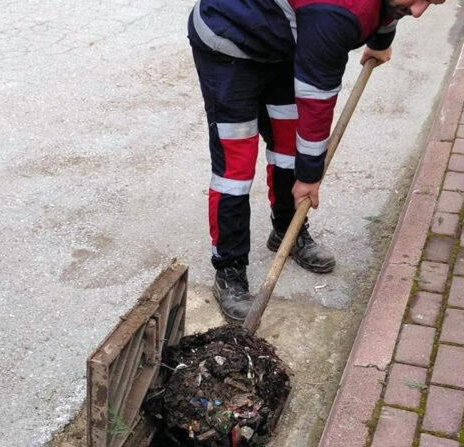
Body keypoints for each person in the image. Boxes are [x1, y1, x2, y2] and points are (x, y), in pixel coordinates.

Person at [188, 0, 446, 322]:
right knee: (235, 166)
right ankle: (229, 268)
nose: (420, 11)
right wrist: (310, 177)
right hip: (227, 40)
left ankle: (287, 230)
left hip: (280, 40)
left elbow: (388, 7)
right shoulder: (334, 14)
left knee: (288, 142)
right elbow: (317, 99)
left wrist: (381, 41)